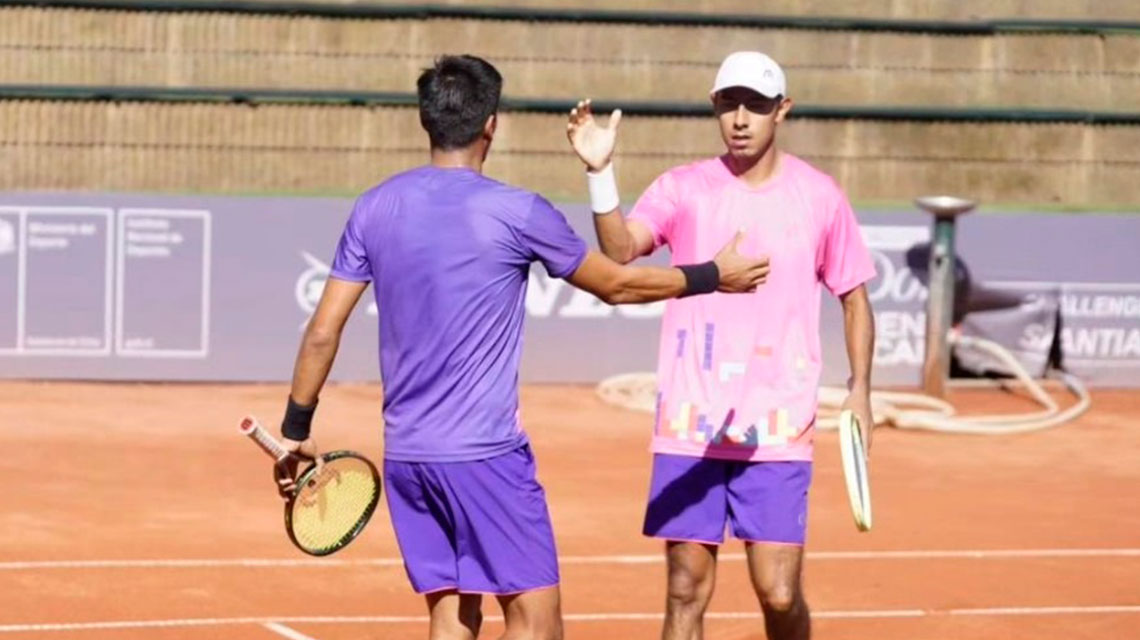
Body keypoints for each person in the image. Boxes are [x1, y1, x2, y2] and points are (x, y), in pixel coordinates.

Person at [272, 54, 769, 640]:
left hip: (408, 457)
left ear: (426, 121)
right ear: (491, 125)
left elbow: (323, 330)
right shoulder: (517, 211)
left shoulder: (374, 206)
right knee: (537, 624)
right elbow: (617, 283)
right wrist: (714, 275)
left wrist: (295, 431)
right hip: (486, 457)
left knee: (452, 615)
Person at [566, 50, 877, 640]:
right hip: (691, 423)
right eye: (729, 104)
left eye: (756, 106)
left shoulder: (819, 195)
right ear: (715, 107)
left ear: (781, 111)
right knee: (685, 590)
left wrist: (861, 391)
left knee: (779, 593)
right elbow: (621, 251)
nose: (741, 118)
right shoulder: (683, 189)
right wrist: (600, 173)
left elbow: (855, 297)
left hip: (779, 427)